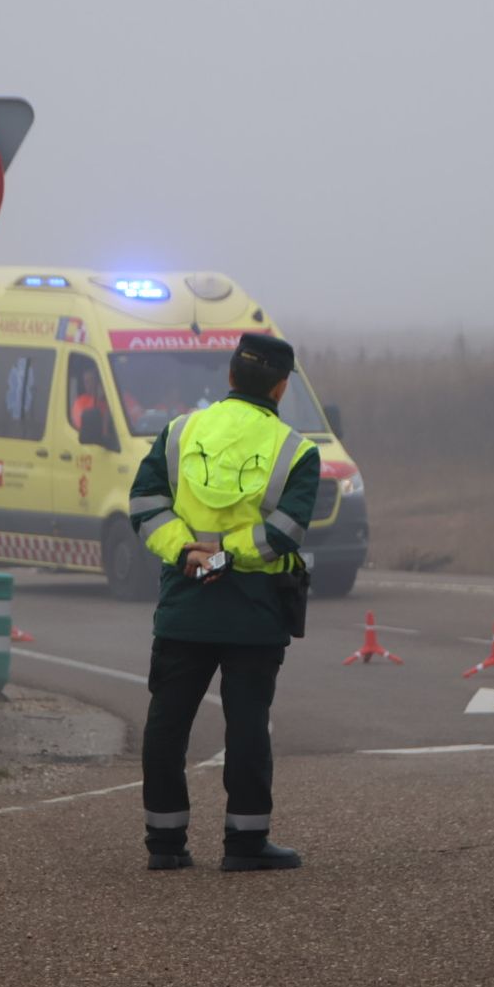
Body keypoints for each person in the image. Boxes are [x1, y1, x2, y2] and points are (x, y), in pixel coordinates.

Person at [127, 332, 318, 872]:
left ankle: (165, 845)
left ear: (230, 377)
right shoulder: (296, 450)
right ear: (281, 387)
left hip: (185, 601)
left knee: (167, 723)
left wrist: (187, 553)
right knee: (248, 726)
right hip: (254, 611)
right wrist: (226, 557)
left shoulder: (180, 430)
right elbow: (285, 532)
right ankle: (246, 843)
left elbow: (145, 505)